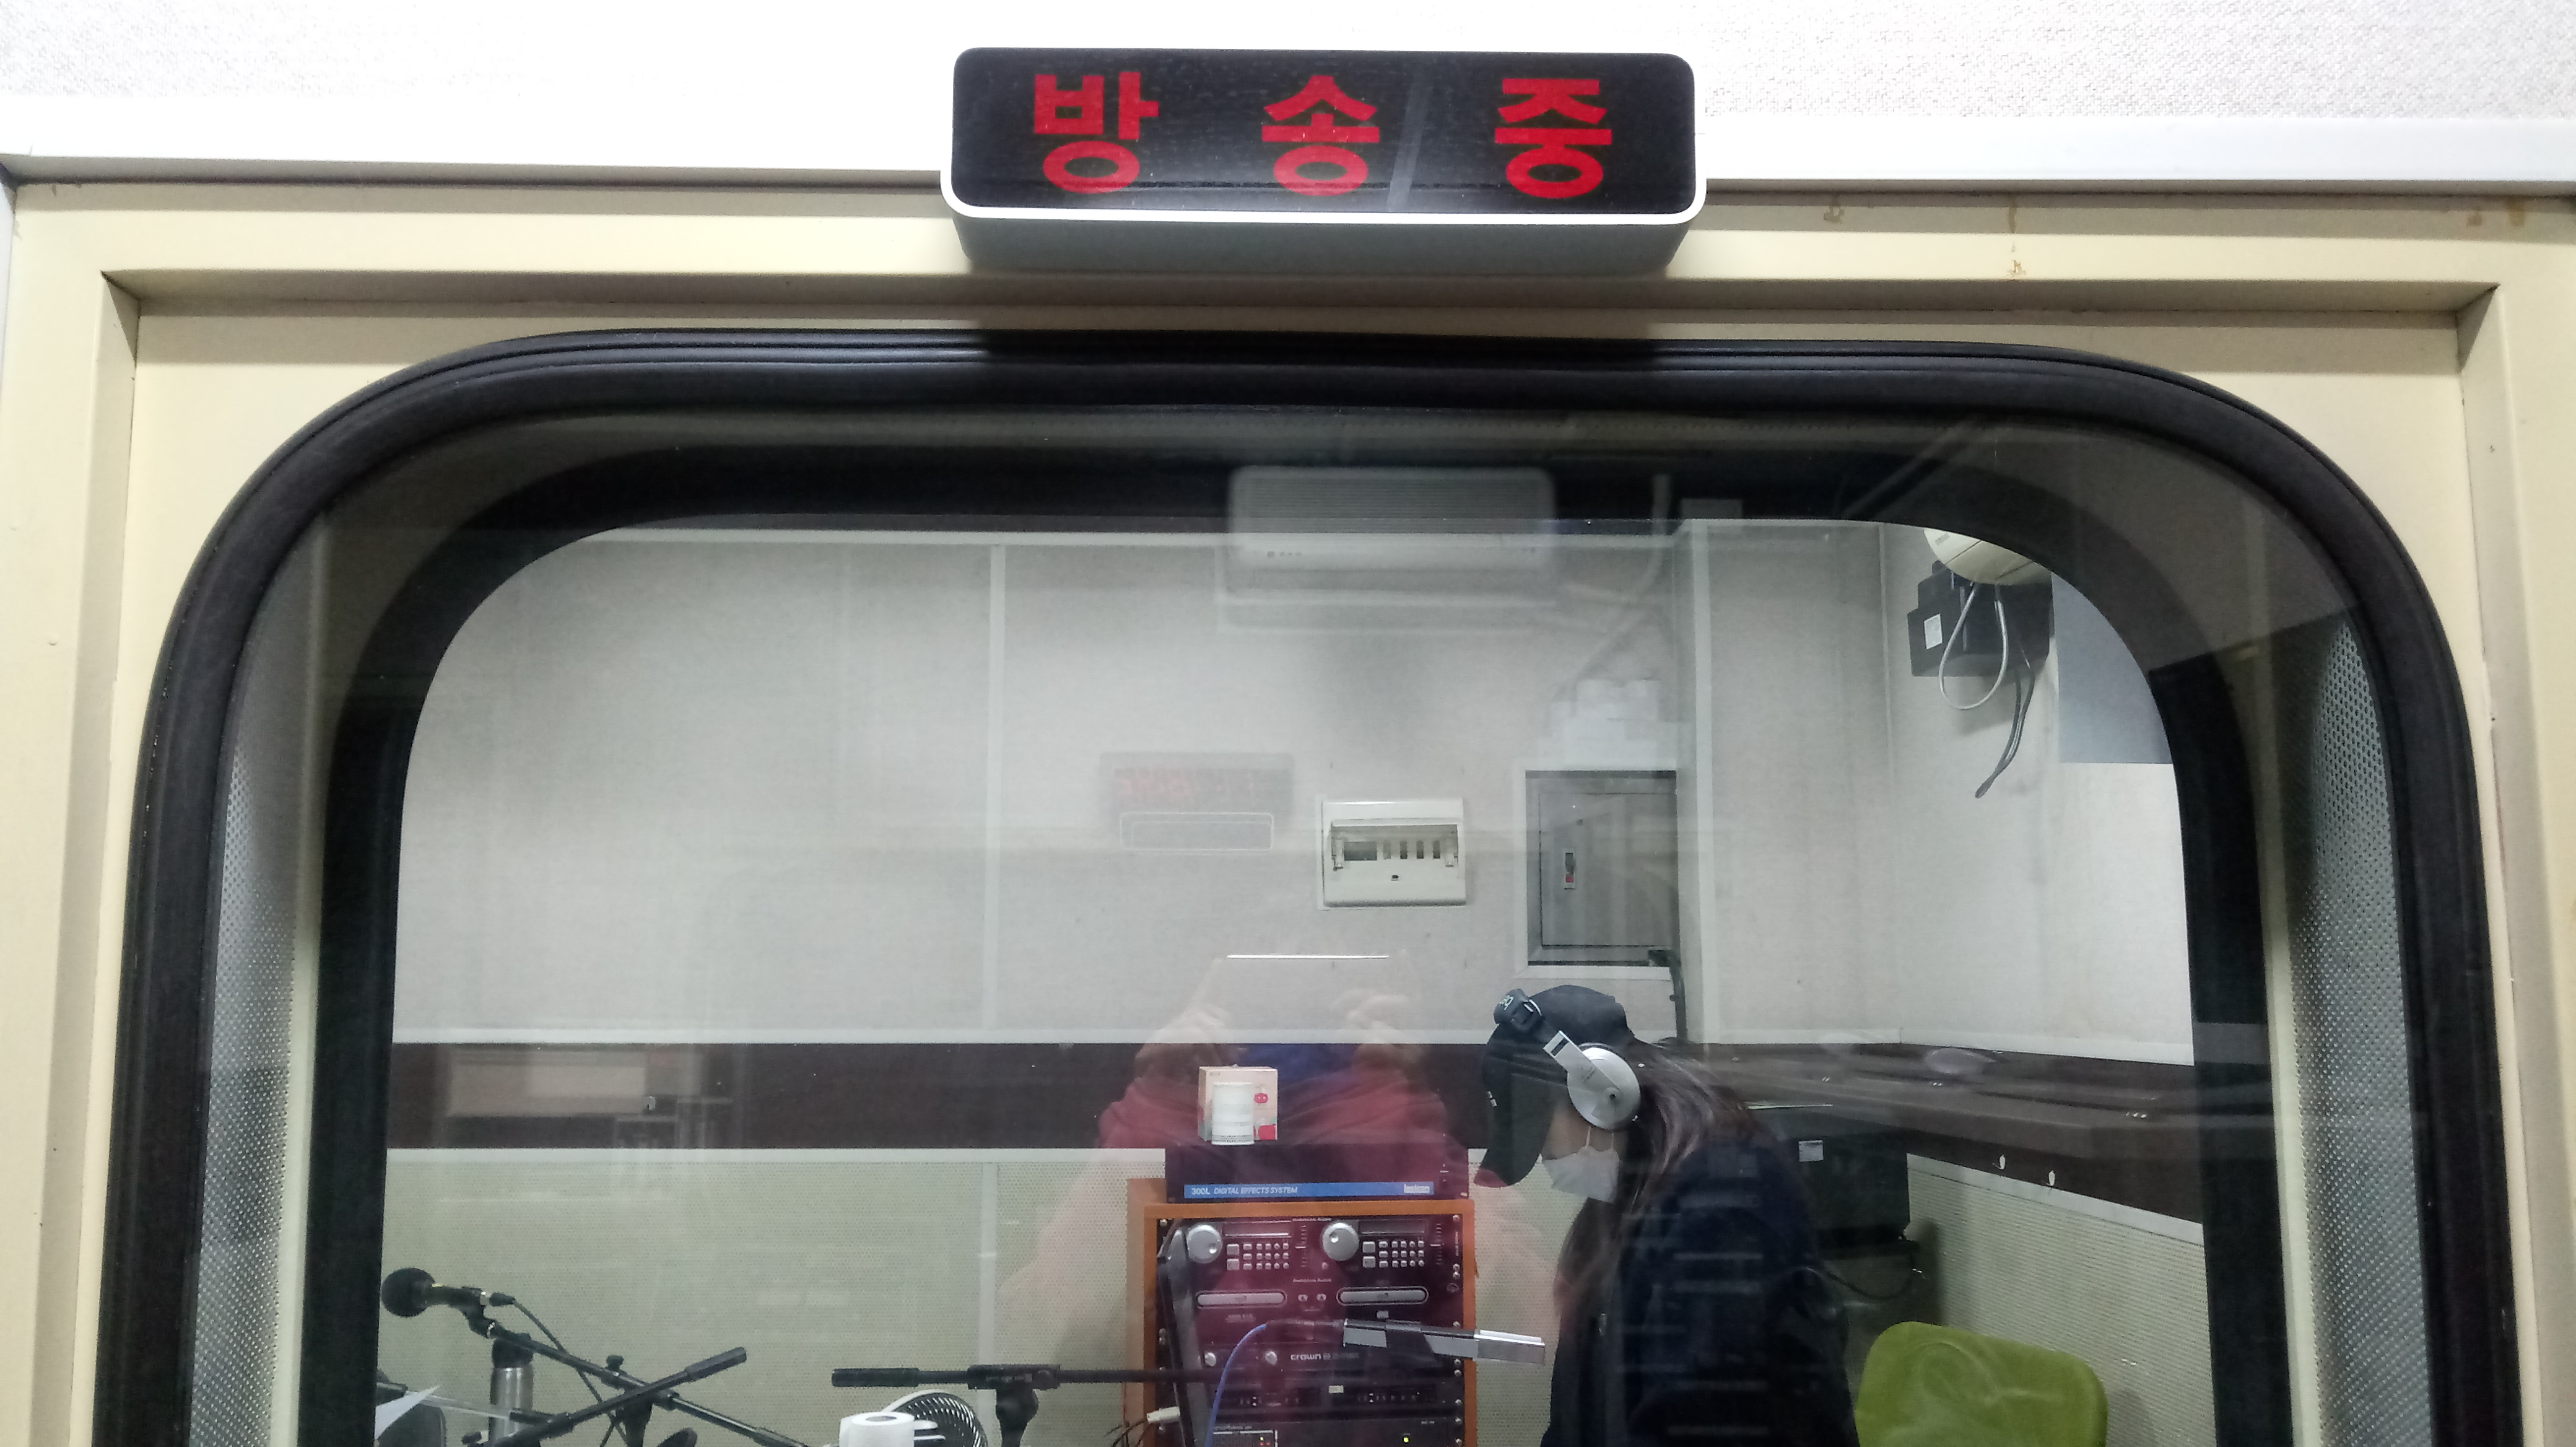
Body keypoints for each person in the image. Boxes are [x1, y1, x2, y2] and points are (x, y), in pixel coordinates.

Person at [1481, 986, 1857, 1447]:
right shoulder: (1629, 1199)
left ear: (1599, 1093)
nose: (1546, 1159)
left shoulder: (1726, 1207)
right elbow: (1579, 1414)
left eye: (1542, 1138)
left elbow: (1693, 1422)